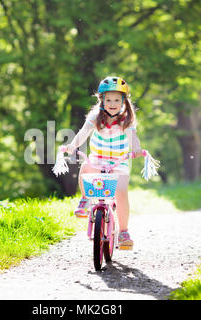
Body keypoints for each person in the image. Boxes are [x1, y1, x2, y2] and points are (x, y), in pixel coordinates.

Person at [63, 76, 143, 250]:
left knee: (120, 192)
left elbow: (133, 137)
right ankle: (85, 199)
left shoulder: (126, 118)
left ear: (123, 101)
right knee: (85, 168)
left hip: (118, 162)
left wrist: (137, 149)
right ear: (102, 100)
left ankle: (123, 232)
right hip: (98, 158)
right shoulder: (95, 116)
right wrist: (72, 145)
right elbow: (83, 132)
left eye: (116, 100)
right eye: (108, 100)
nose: (112, 103)